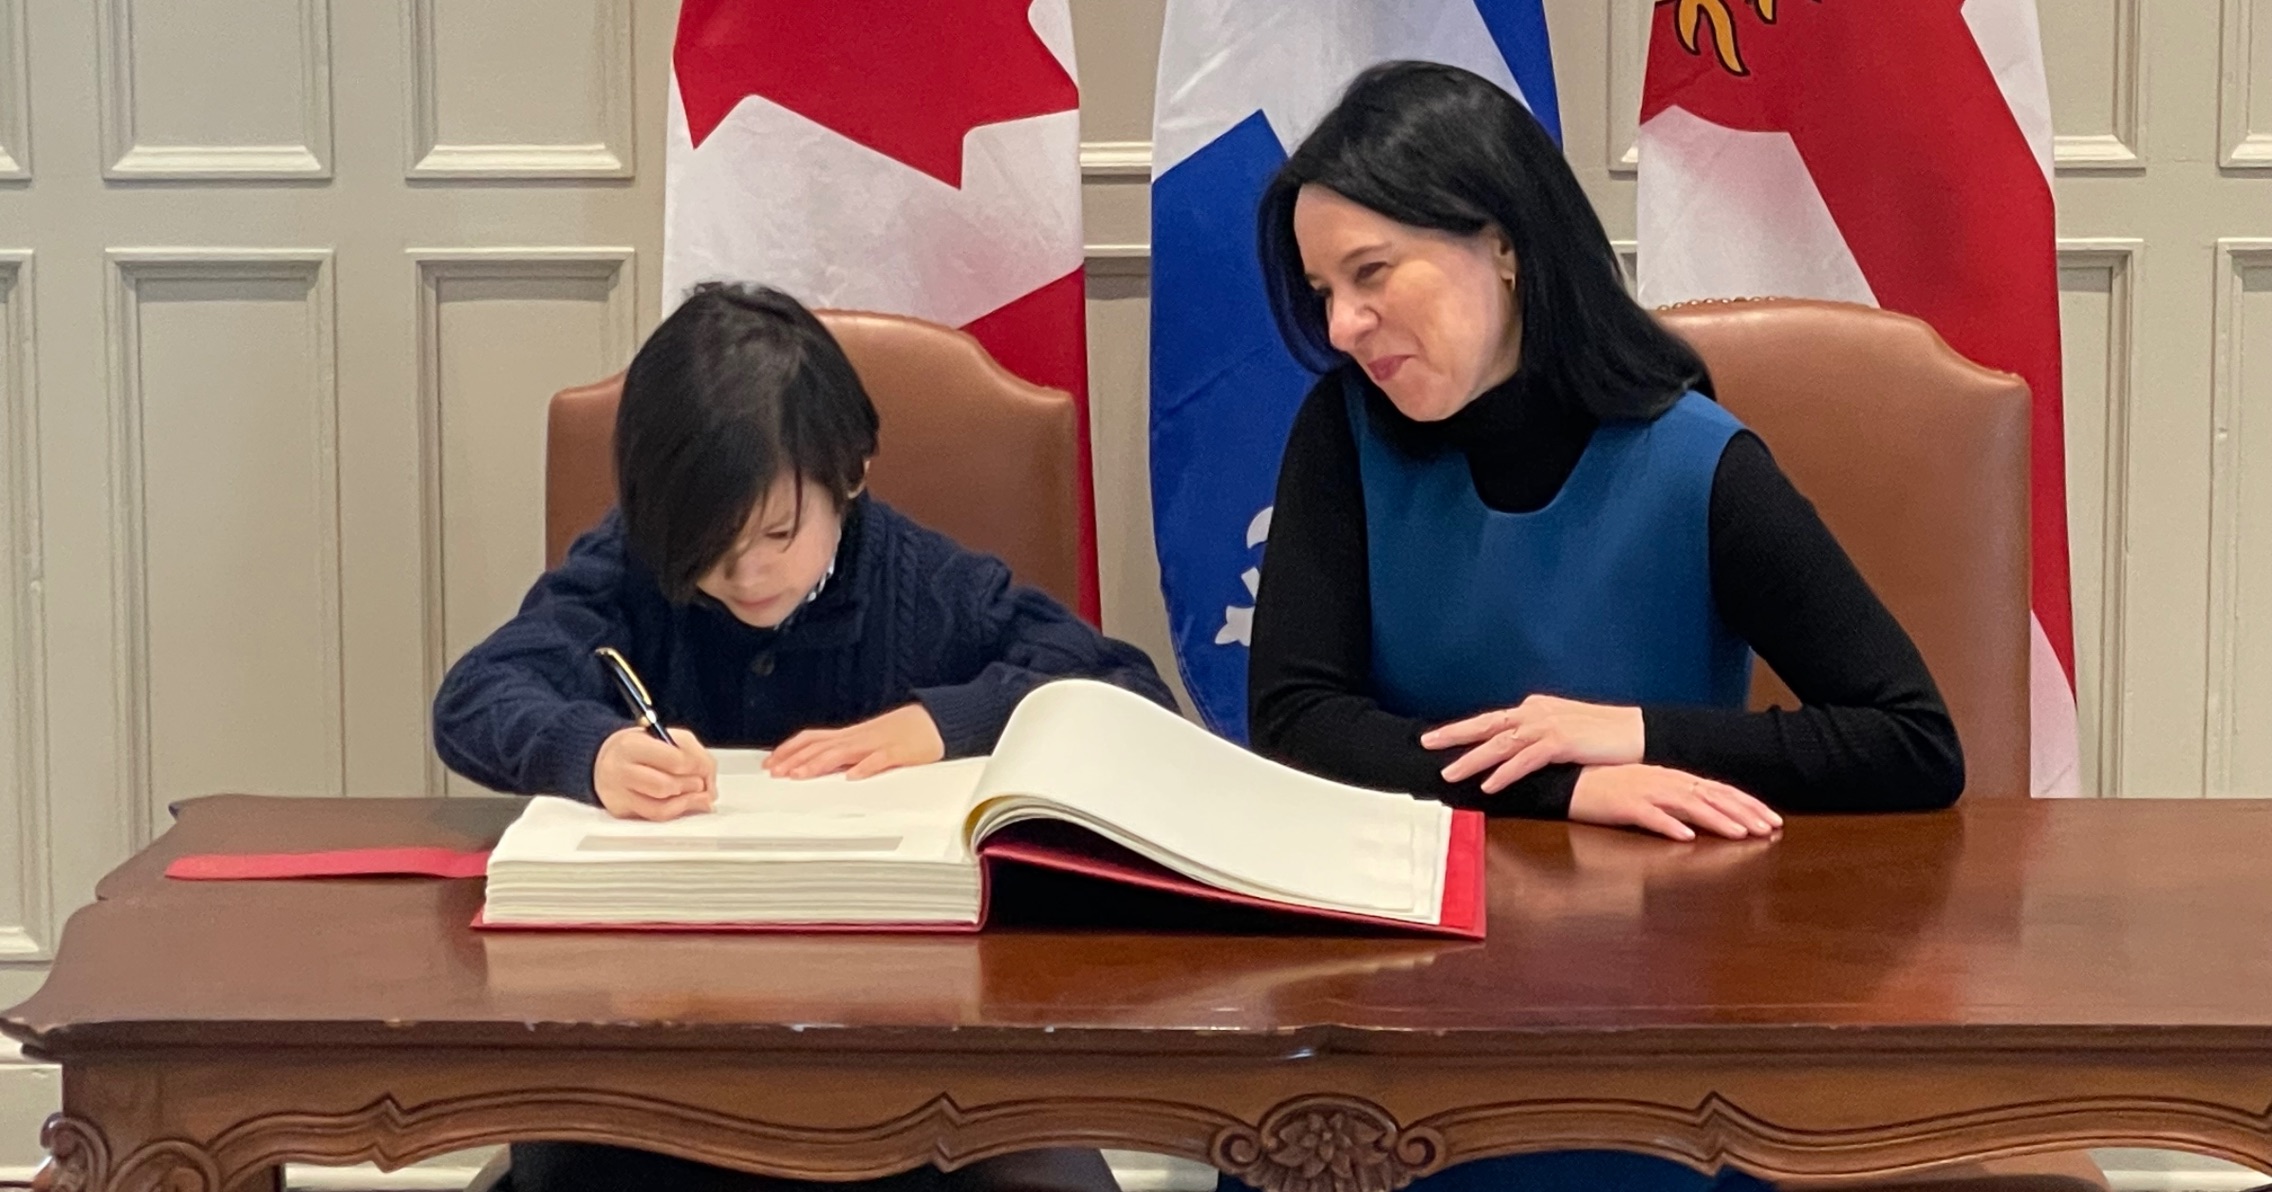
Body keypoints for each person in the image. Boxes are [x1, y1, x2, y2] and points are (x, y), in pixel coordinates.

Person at [1237, 60, 1966, 1192]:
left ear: (1507, 243)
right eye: (1323, 287)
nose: (1342, 326)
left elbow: (1911, 740)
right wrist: (1552, 784)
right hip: (1384, 1006)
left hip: (1641, 1026)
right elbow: (1293, 720)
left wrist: (1633, 734)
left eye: (1371, 273)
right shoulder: (1342, 432)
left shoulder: (1693, 459)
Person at [433, 281, 1172, 1192]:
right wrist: (589, 750)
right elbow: (473, 698)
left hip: (904, 1055)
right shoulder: (634, 566)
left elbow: (1128, 692)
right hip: (656, 1048)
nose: (745, 574)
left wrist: (949, 723)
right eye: (708, 544)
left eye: (779, 531)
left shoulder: (918, 579)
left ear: (850, 473)